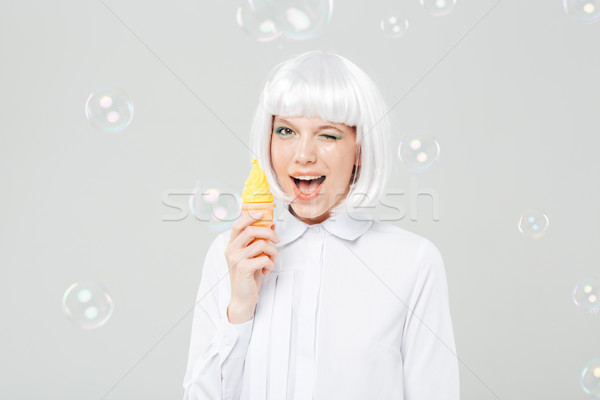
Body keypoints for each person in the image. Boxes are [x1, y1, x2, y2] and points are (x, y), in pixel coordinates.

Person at [183, 50, 460, 399]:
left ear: (360, 149)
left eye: (328, 135)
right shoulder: (233, 255)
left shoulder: (414, 262)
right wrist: (239, 308)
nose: (303, 154)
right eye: (286, 130)